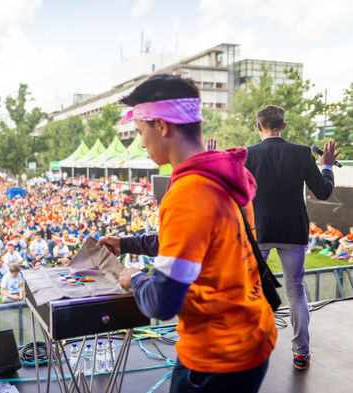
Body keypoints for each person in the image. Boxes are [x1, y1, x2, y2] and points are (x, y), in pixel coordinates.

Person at [98, 74, 276, 392]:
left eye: (141, 132)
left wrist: (132, 277)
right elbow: (195, 240)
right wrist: (125, 243)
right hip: (252, 337)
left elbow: (162, 302)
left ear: (162, 126)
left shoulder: (187, 193)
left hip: (215, 357)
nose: (141, 143)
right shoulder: (226, 176)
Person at [245, 104, 338, 371]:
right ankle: (301, 353)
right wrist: (327, 166)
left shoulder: (248, 155)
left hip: (259, 231)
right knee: (296, 291)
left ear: (258, 126)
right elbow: (323, 191)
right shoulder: (301, 154)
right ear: (283, 126)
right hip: (293, 231)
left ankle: (250, 351)